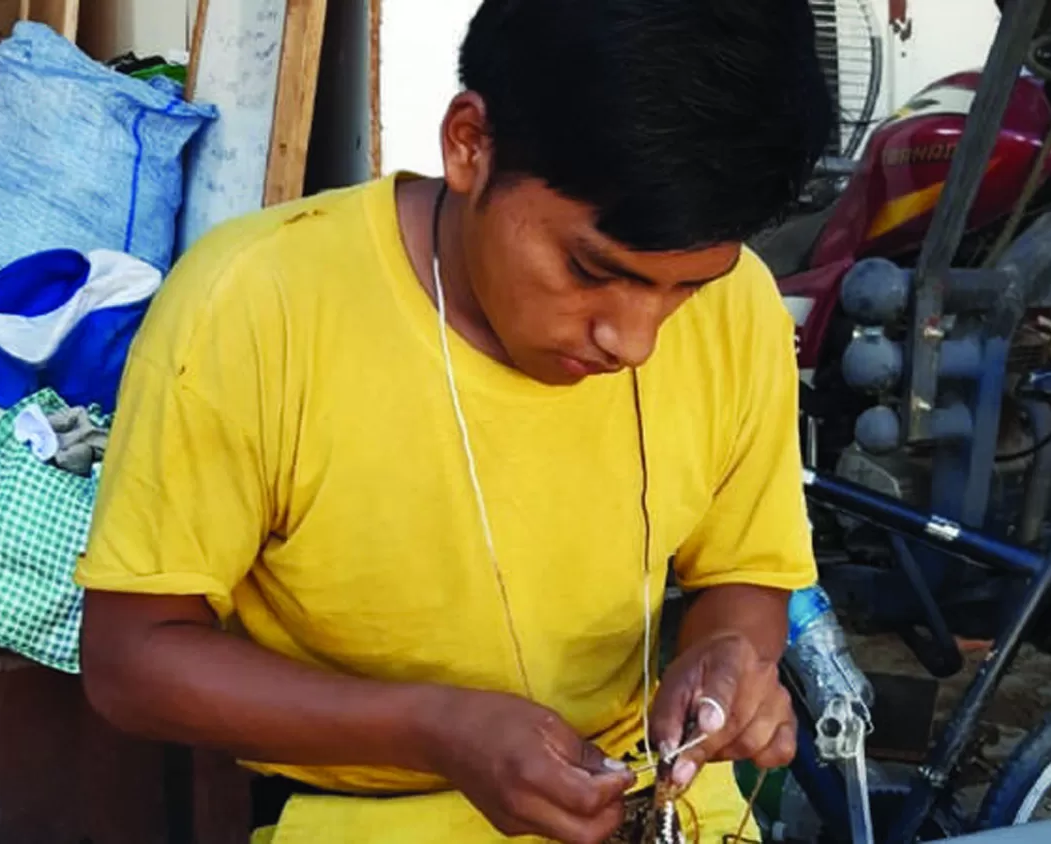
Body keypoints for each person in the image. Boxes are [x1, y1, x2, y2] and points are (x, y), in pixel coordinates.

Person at [74, 1, 835, 841]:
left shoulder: (745, 312)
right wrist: (437, 730)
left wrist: (724, 655)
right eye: (589, 270)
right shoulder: (255, 306)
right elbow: (130, 659)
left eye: (686, 288)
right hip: (368, 813)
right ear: (470, 144)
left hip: (651, 797)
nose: (636, 341)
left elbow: (746, 573)